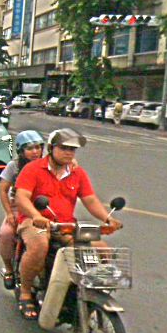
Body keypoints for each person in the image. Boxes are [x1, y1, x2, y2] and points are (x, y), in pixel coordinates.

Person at [13, 127, 122, 319]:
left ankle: (87, 293)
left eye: (72, 149)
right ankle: (25, 292)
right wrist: (35, 215)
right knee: (39, 245)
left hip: (65, 224)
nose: (68, 153)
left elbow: (90, 199)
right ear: (51, 148)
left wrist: (108, 219)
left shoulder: (78, 173)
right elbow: (21, 197)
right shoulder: (33, 169)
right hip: (34, 222)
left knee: (102, 249)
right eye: (63, 148)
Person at [0, 130, 44, 288]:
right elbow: (3, 190)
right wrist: (9, 214)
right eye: (30, 148)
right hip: (19, 209)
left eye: (38, 147)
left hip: (43, 209)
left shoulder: (48, 165)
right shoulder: (14, 166)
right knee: (6, 234)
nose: (35, 152)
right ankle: (9, 269)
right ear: (21, 151)